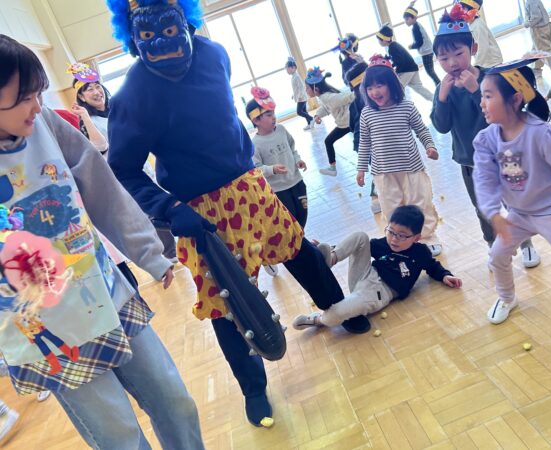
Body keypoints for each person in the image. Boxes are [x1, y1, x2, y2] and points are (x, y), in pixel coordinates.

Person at [105, 0, 370, 429]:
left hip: (250, 186)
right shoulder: (131, 97)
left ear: (186, 23)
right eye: (149, 37)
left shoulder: (214, 54)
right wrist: (168, 208)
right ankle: (253, 387)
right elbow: (123, 168)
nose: (163, 46)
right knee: (226, 301)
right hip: (201, 212)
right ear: (134, 38)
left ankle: (339, 309)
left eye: (171, 33)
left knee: (299, 251)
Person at [0, 34, 203, 449]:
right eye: (23, 98)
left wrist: (149, 253)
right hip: (45, 330)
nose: (36, 105)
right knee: (120, 437)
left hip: (104, 293)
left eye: (38, 92)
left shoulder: (45, 123)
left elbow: (100, 186)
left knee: (175, 402)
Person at [473, 58, 551, 324]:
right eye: (482, 96)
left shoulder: (541, 134)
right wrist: (493, 212)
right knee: (497, 255)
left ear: (515, 99)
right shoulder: (486, 140)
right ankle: (507, 297)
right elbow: (484, 179)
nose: (482, 103)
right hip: (520, 213)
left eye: (488, 96)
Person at [430, 8, 540, 268]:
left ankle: (526, 244)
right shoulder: (443, 88)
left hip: (502, 154)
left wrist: (474, 91)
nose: (452, 63)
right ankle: (494, 248)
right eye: (444, 58)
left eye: (459, 53)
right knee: (483, 208)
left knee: (514, 201)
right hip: (470, 161)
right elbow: (441, 126)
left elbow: (499, 117)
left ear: (473, 48)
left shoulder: (491, 78)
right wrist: (443, 97)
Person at [69, 62, 179, 264]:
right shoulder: (87, 121)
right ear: (82, 97)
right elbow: (100, 145)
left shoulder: (117, 109)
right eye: (89, 89)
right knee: (147, 214)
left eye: (97, 86)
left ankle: (173, 250)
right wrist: (84, 116)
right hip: (120, 176)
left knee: (161, 204)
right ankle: (166, 256)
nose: (96, 92)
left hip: (142, 166)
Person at [292, 205, 462, 329]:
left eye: (402, 236)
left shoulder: (421, 252)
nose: (394, 239)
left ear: (416, 238)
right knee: (361, 237)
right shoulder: (383, 244)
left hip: (379, 293)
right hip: (365, 275)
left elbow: (432, 266)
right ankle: (331, 259)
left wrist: (445, 275)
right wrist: (328, 249)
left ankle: (317, 320)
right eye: (391, 231)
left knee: (336, 313)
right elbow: (359, 247)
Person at [357, 55, 442, 256]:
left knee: (420, 204)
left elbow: (421, 129)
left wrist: (430, 146)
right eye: (370, 88)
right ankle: (397, 242)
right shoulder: (367, 114)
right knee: (391, 209)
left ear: (392, 85)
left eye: (380, 85)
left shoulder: (406, 106)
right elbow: (365, 143)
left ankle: (427, 238)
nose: (375, 91)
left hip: (412, 169)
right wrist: (361, 169)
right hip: (383, 173)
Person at [247, 87, 308, 228]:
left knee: (303, 215)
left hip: (297, 181)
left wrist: (298, 159)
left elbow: (292, 147)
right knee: (291, 221)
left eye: (273, 113)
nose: (274, 117)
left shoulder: (281, 130)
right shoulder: (255, 144)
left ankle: (301, 238)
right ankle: (299, 240)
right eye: (269, 115)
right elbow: (256, 169)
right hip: (279, 190)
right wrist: (272, 169)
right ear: (256, 120)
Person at [346, 62, 381, 215]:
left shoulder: (354, 102)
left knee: (378, 168)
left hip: (359, 142)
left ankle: (377, 197)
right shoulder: (373, 101)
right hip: (370, 141)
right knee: (380, 169)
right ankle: (375, 197)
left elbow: (350, 126)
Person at [305, 67, 354, 177]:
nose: (306, 90)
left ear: (315, 89)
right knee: (329, 141)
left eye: (307, 88)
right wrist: (317, 115)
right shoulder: (324, 96)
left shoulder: (327, 97)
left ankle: (333, 168)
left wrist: (359, 93)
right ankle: (332, 168)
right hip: (345, 123)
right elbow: (327, 107)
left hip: (348, 122)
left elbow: (346, 97)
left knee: (329, 141)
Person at [376, 24, 434, 101]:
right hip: (413, 68)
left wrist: (395, 73)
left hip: (407, 71)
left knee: (397, 89)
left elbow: (399, 62)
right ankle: (434, 100)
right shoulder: (394, 45)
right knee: (419, 88)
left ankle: (402, 106)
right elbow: (397, 59)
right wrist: (387, 58)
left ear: (384, 39)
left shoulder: (392, 48)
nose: (378, 42)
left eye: (379, 40)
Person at [404, 1, 441, 85]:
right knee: (431, 71)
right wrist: (411, 4)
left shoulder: (415, 28)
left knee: (430, 72)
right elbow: (408, 11)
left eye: (407, 19)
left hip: (426, 52)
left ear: (413, 18)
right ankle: (439, 84)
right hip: (428, 50)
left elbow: (419, 42)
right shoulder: (417, 25)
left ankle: (439, 85)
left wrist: (411, 46)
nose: (405, 22)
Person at [458, 0, 503, 68]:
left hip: (492, 62)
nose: (461, 12)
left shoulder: (477, 25)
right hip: (486, 63)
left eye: (464, 8)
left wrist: (476, 65)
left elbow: (483, 47)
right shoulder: (471, 24)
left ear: (471, 10)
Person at [524, 0, 551, 70]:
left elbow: (537, 16)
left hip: (539, 29)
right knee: (536, 49)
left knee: (544, 51)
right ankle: (536, 68)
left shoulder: (531, 2)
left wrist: (527, 24)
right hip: (542, 27)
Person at [285, 57, 313, 130]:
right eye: (286, 69)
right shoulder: (294, 76)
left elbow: (301, 87)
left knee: (299, 112)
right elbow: (296, 88)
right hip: (301, 97)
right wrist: (293, 94)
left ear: (294, 68)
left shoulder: (296, 76)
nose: (287, 71)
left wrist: (299, 96)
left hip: (302, 97)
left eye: (288, 69)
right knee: (304, 111)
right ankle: (309, 124)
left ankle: (312, 119)